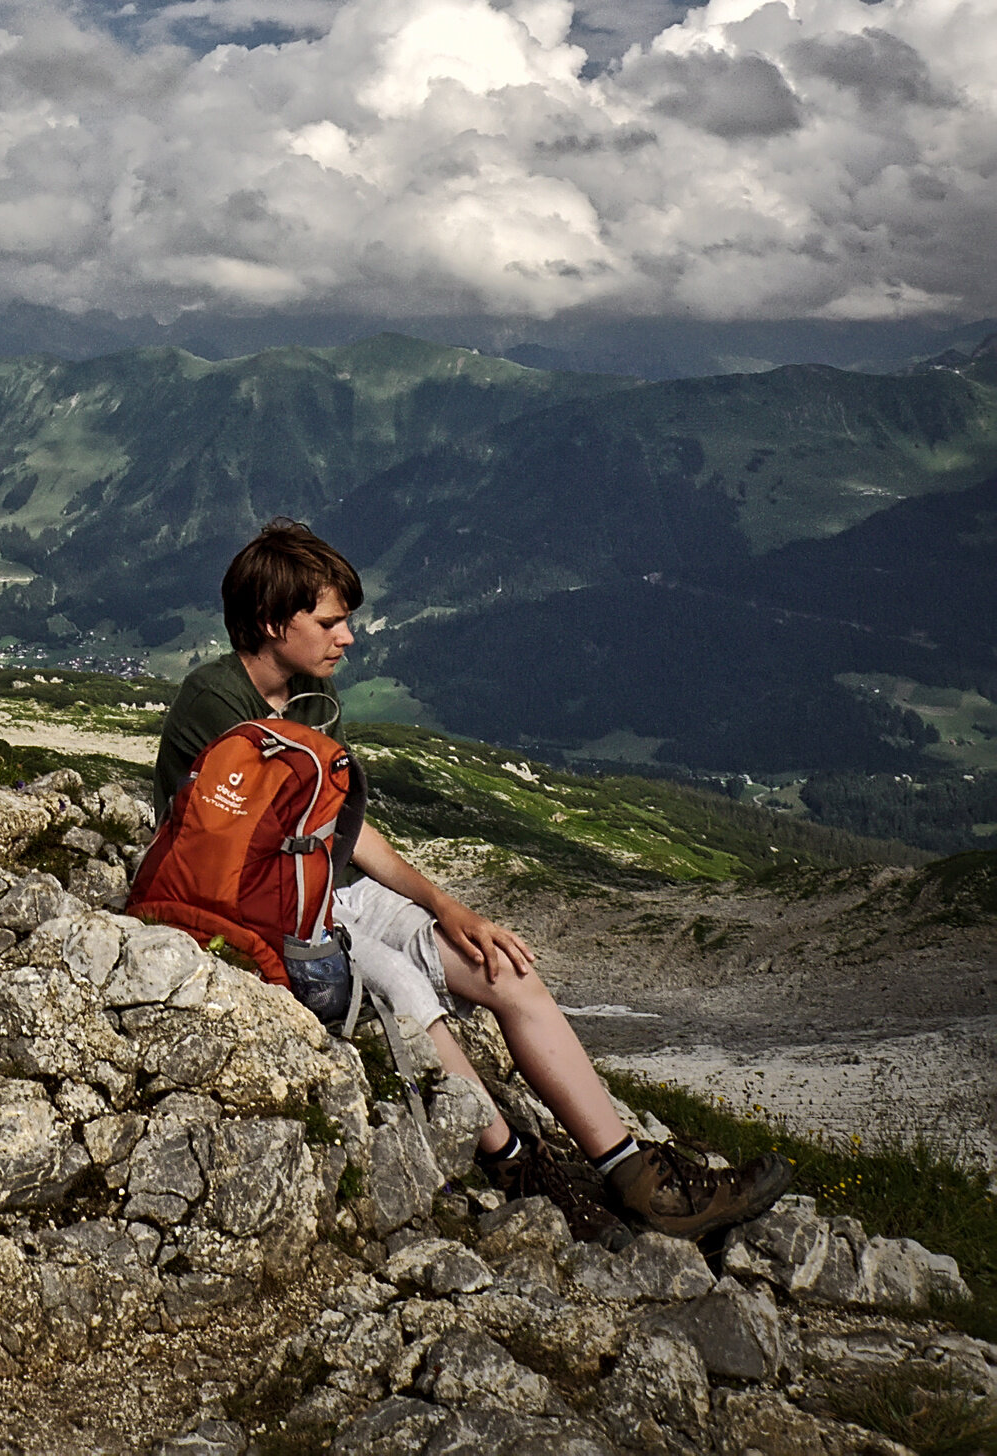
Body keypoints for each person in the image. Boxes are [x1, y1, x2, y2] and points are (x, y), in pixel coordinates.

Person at [153, 517, 789, 1243]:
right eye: (329, 623)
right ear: (273, 623)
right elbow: (231, 854)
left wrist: (446, 907)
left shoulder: (310, 696)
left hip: (328, 889)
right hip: (261, 910)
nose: (348, 638)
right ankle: (519, 1170)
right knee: (403, 985)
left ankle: (638, 1180)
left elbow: (337, 827)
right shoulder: (215, 704)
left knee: (503, 967)